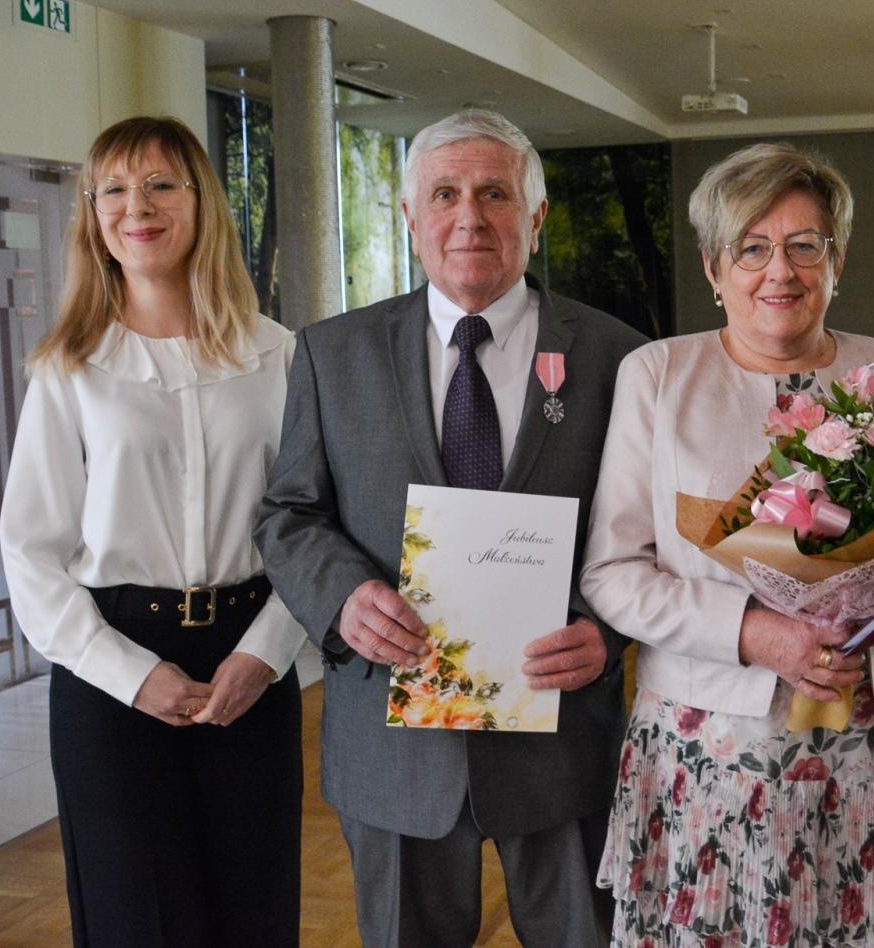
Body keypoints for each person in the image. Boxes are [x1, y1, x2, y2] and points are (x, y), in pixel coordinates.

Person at [255, 108, 645, 947]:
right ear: (410, 216)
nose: (469, 216)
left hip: (562, 734)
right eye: (444, 194)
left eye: (494, 194)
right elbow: (290, 513)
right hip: (394, 749)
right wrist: (343, 598)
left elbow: (649, 532)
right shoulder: (332, 353)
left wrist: (608, 631)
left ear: (536, 217)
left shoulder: (619, 358)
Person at [580, 142, 874, 947]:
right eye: (751, 248)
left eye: (804, 245)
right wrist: (757, 634)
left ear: (837, 260)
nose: (779, 271)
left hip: (866, 734)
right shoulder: (658, 376)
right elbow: (613, 575)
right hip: (711, 746)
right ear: (714, 269)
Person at [0, 116, 305, 947]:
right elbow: (30, 551)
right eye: (114, 190)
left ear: (201, 203)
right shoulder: (68, 368)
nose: (137, 206)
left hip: (250, 663)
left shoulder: (277, 355)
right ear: (93, 215)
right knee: (134, 918)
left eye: (161, 184)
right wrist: (130, 675)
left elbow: (313, 525)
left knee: (254, 911)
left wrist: (266, 653)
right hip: (113, 670)